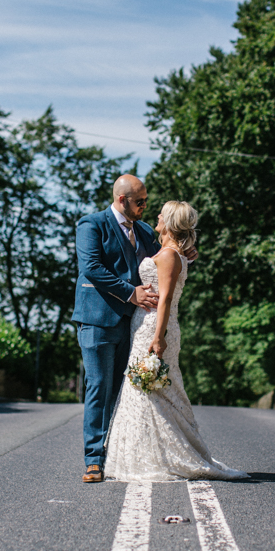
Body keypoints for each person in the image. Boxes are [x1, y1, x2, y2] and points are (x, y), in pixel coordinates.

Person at [104, 200, 248, 482]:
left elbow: (167, 298)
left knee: (154, 389)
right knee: (147, 391)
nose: (156, 215)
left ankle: (170, 455)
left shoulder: (169, 256)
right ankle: (145, 454)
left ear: (170, 223)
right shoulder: (170, 251)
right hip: (145, 324)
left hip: (156, 328)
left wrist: (159, 337)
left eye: (161, 213)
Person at [74, 175, 188, 483]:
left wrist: (186, 252)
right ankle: (94, 459)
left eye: (147, 202)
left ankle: (114, 451)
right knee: (99, 385)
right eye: (141, 202)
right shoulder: (92, 225)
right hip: (98, 320)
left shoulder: (146, 231)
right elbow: (92, 268)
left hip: (134, 325)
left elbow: (164, 255)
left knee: (121, 391)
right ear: (123, 200)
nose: (145, 207)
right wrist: (130, 292)